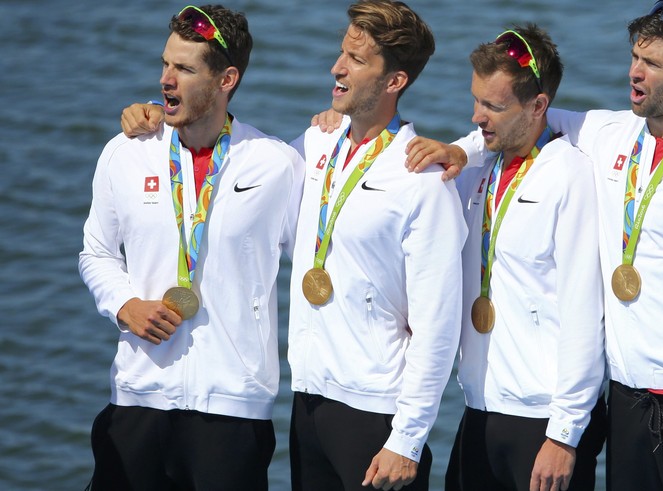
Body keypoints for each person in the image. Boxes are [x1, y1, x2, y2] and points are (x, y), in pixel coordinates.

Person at [408, 1, 663, 490]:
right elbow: (522, 113)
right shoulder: (609, 133)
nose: (635, 73)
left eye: (653, 64)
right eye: (635, 58)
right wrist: (461, 149)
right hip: (627, 401)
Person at [119, 1, 464, 489]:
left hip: (378, 415)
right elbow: (240, 169)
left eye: (357, 61)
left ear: (395, 82)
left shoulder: (423, 181)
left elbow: (439, 328)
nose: (337, 68)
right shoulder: (315, 146)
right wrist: (160, 117)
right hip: (309, 405)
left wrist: (406, 441)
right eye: (342, 52)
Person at [79, 5, 304, 490]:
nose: (165, 80)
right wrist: (123, 304)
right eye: (165, 64)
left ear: (226, 79)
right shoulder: (126, 150)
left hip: (232, 411)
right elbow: (96, 252)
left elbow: (320, 259)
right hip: (137, 398)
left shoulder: (276, 164)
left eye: (184, 69)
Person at [431, 24, 606, 491]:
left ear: (538, 107)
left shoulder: (569, 177)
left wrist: (564, 435)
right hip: (479, 406)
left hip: (543, 421)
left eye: (493, 106)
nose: (477, 117)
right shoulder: (478, 168)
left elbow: (585, 314)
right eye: (476, 101)